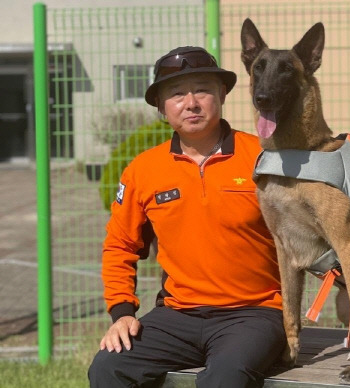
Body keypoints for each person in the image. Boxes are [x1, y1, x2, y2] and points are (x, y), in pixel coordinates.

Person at [88, 46, 286, 388]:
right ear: (162, 107)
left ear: (222, 95)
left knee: (224, 379)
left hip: (254, 313)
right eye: (177, 94)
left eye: (203, 90)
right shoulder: (143, 170)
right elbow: (120, 246)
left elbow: (311, 229)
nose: (191, 103)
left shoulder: (264, 157)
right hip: (176, 315)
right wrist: (122, 314)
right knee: (108, 368)